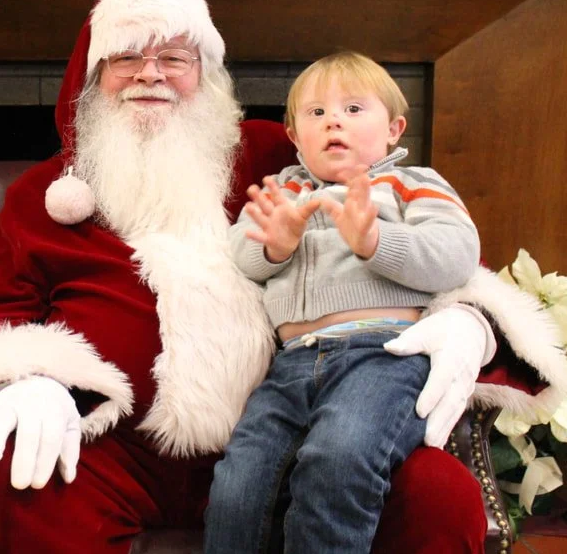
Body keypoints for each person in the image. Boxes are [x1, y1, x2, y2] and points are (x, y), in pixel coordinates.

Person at [0, 0, 567, 553]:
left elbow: (398, 219)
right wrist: (33, 380)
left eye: (174, 55)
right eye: (126, 57)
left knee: (436, 491)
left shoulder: (272, 154)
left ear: (205, 71)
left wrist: (470, 320)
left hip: (292, 433)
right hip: (106, 451)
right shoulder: (43, 196)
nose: (151, 73)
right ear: (92, 79)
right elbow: (0, 317)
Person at [203, 51, 494, 553]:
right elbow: (243, 258)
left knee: (338, 459)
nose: (333, 120)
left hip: (382, 356)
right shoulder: (283, 194)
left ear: (394, 128)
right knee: (238, 482)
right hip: (290, 366)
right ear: (294, 137)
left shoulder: (413, 184)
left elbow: (457, 256)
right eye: (315, 113)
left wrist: (375, 241)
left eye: (354, 109)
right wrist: (276, 244)